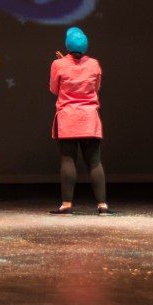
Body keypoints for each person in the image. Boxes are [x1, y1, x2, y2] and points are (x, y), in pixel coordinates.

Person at [48, 27, 110, 216]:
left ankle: (67, 204)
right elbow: (96, 87)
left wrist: (63, 64)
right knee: (94, 162)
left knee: (67, 159)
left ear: (67, 44)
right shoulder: (94, 64)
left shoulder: (58, 64)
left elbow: (54, 89)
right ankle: (102, 205)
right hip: (89, 117)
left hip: (68, 117)